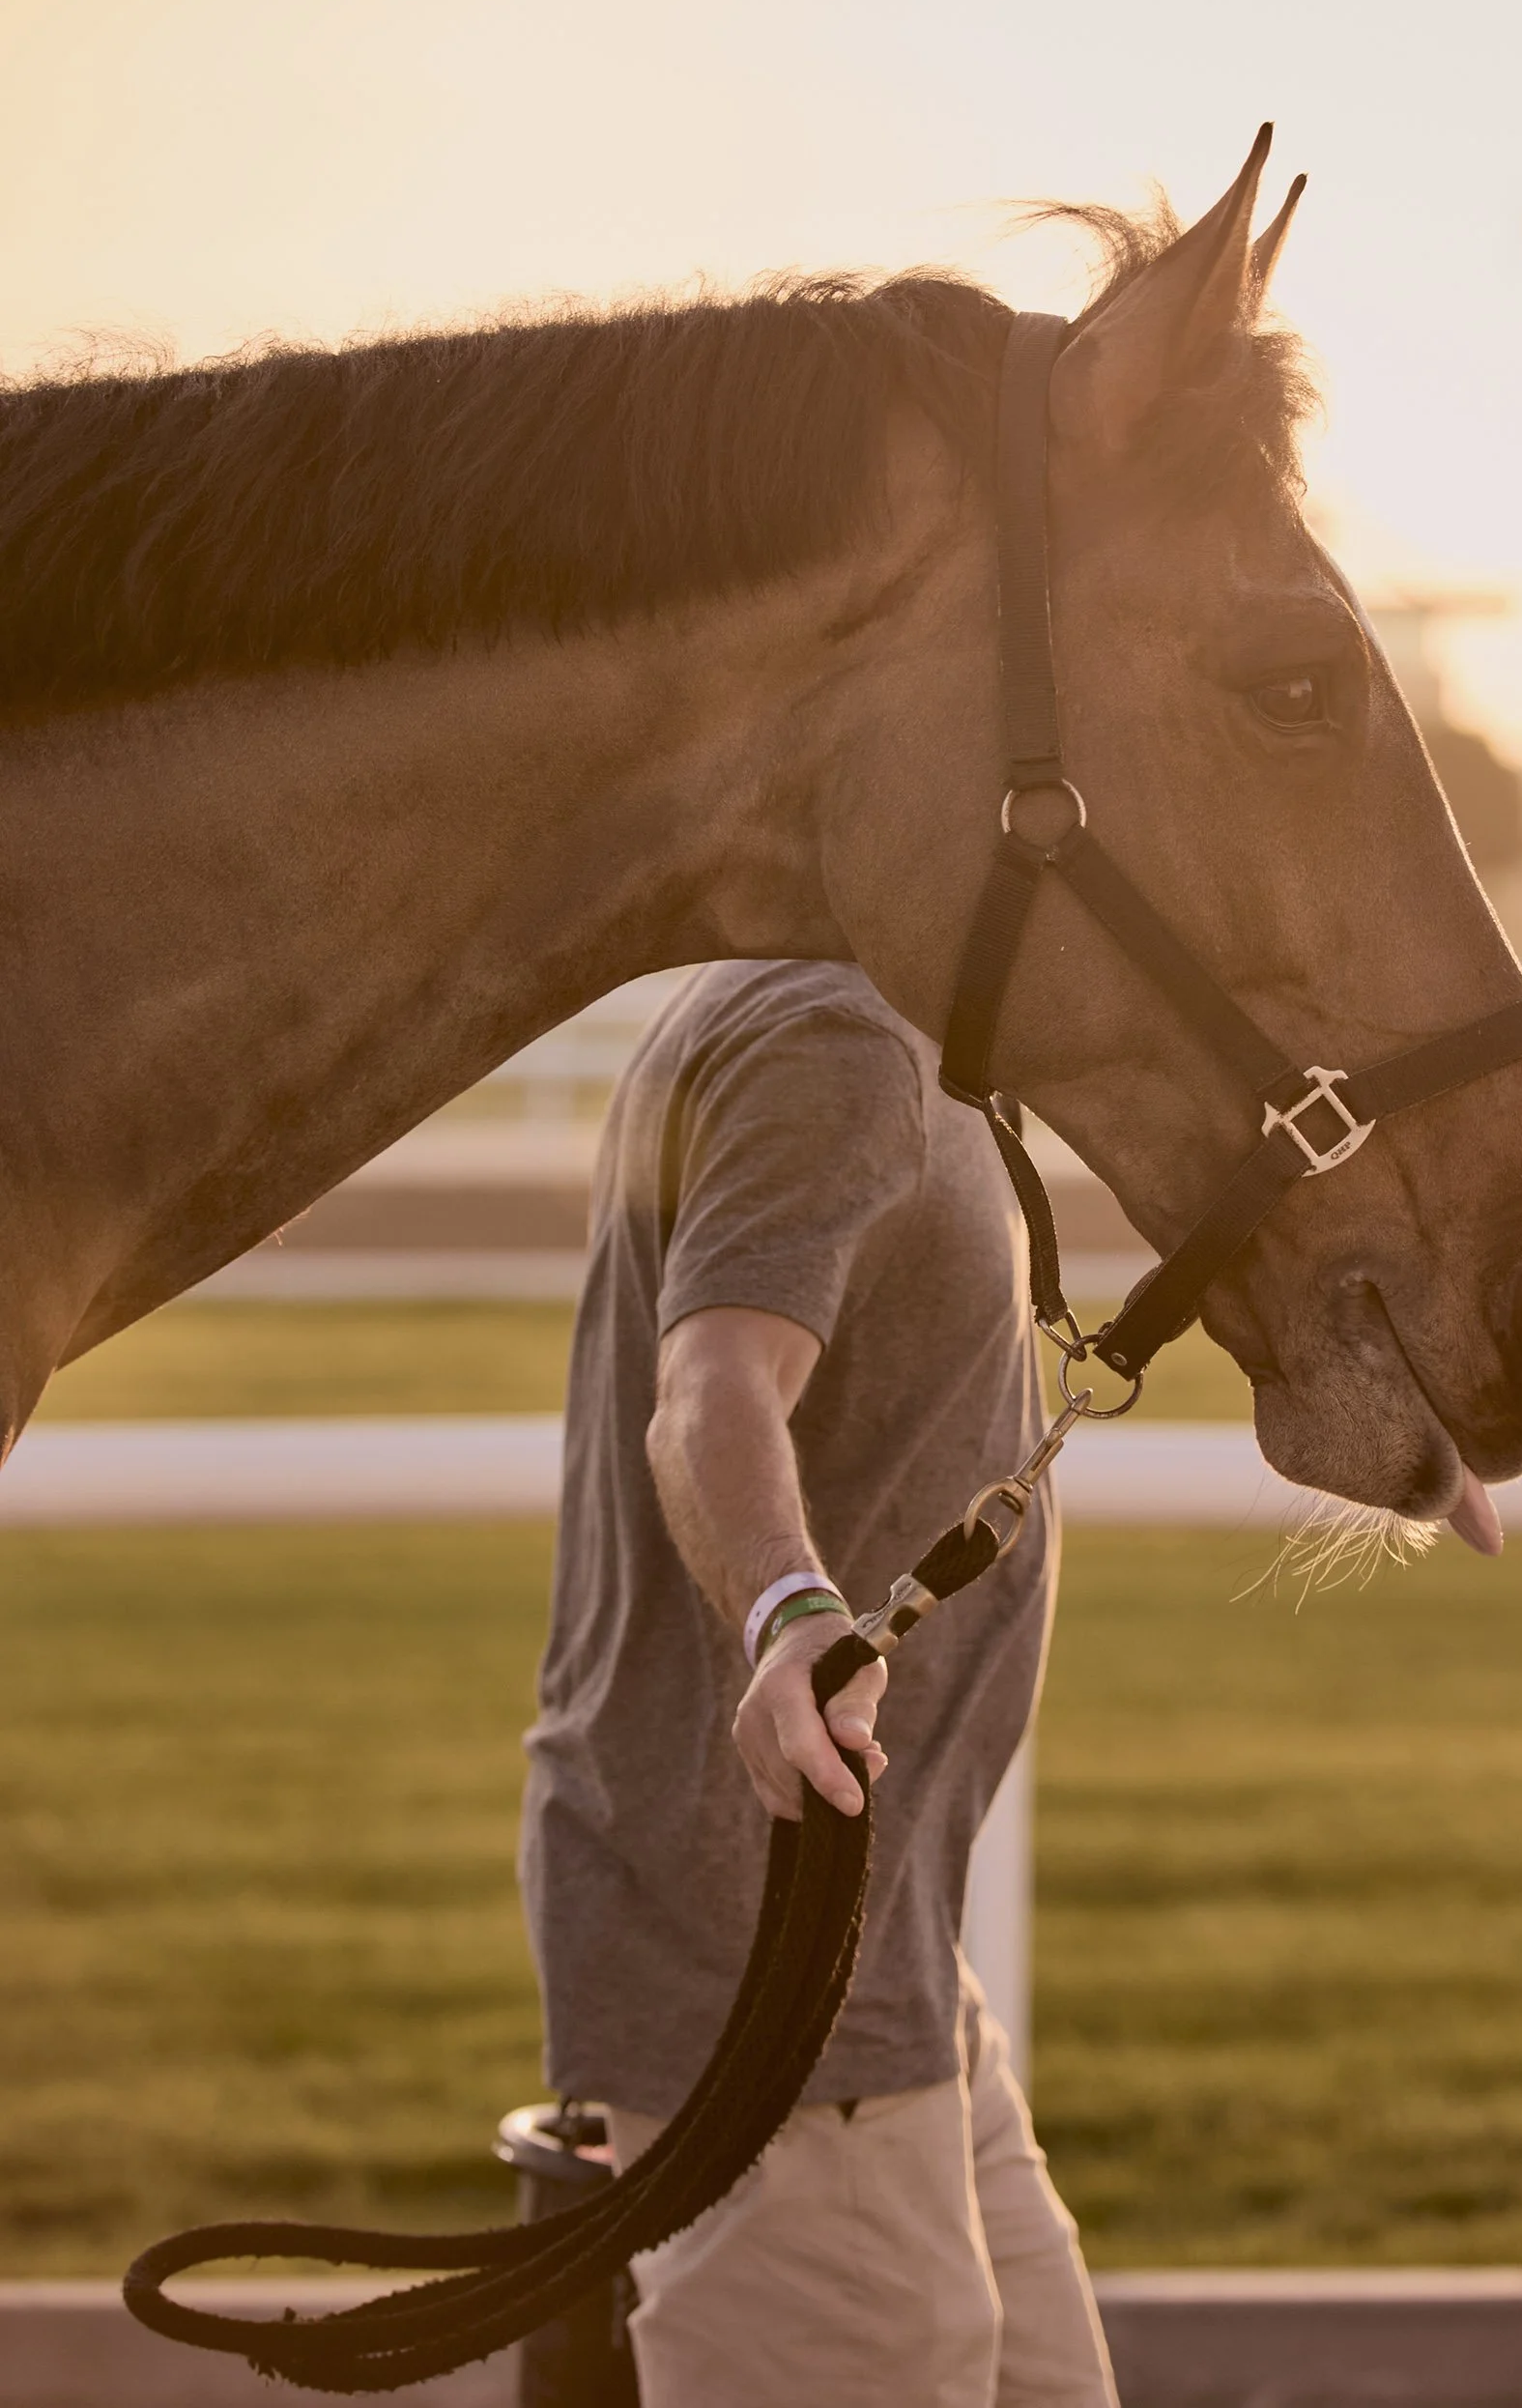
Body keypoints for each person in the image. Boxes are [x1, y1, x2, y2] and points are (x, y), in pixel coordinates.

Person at [520, 959, 1118, 2408]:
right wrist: (792, 1610)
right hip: (776, 1970)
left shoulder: (857, 1015)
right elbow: (713, 1383)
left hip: (881, 1954)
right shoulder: (841, 1040)